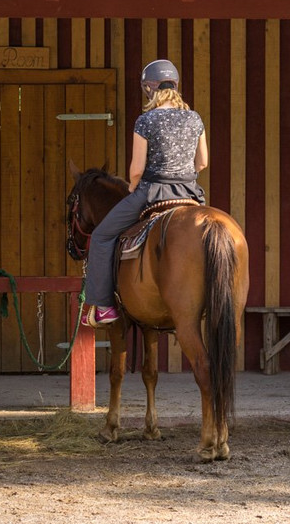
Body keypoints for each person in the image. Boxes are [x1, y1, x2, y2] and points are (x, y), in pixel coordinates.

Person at [81, 59, 208, 327]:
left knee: (102, 235)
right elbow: (203, 162)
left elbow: (136, 170)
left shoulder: (145, 120)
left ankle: (104, 307)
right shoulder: (194, 118)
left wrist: (131, 187)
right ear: (175, 86)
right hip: (189, 192)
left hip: (153, 191)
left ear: (149, 89)